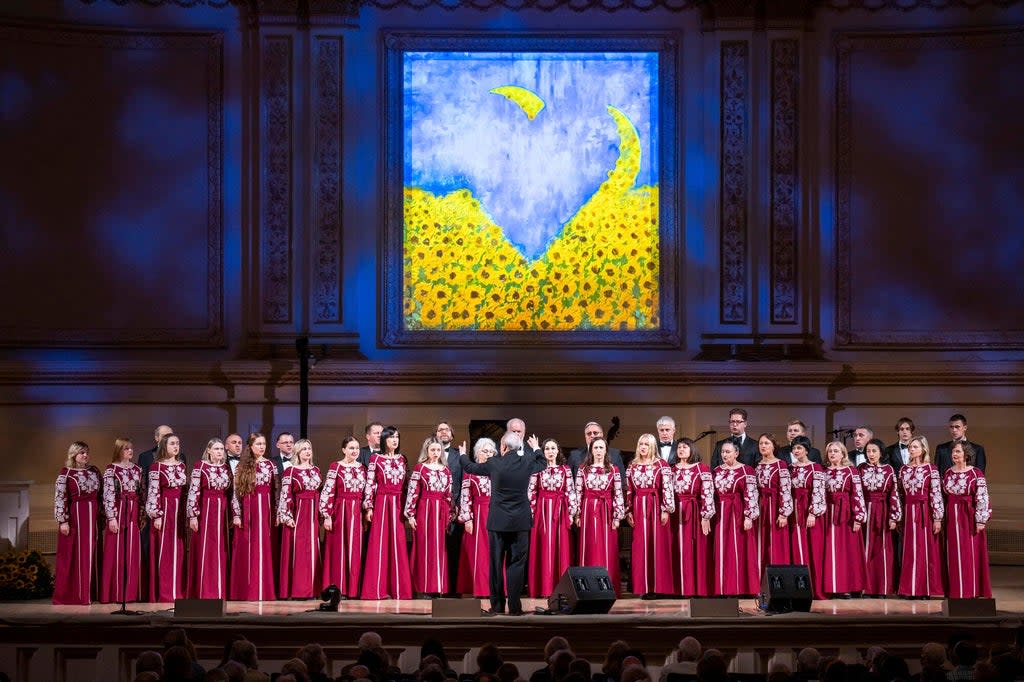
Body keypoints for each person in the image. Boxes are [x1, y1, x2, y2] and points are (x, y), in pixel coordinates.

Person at [459, 432, 546, 615]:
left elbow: (469, 467)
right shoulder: (527, 461)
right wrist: (537, 447)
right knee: (517, 564)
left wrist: (462, 454)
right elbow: (543, 463)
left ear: (504, 447)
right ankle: (514, 607)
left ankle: (497, 606)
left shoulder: (494, 463)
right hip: (520, 522)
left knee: (496, 564)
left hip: (498, 522)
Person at [360, 425, 412, 600]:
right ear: (384, 440)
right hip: (382, 502)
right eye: (391, 437)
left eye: (397, 437)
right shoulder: (376, 459)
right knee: (379, 543)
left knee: (398, 543)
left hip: (397, 503)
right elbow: (370, 483)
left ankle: (399, 589)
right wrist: (368, 507)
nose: (395, 440)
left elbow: (407, 486)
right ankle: (376, 589)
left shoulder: (403, 459)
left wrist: (408, 509)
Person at [229, 432, 279, 600]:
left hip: (266, 508)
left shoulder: (271, 465)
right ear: (250, 447)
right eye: (258, 444)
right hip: (248, 509)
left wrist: (277, 512)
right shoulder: (241, 466)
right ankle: (245, 590)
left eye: (263, 444)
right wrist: (237, 514)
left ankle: (264, 590)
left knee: (264, 548)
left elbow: (276, 491)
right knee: (247, 549)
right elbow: (235, 493)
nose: (262, 447)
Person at [624, 433, 675, 597]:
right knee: (640, 547)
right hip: (639, 507)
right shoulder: (632, 465)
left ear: (652, 446)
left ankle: (659, 587)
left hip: (655, 506)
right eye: (641, 444)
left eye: (646, 444)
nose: (643, 447)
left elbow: (667, 489)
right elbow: (629, 490)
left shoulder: (662, 465)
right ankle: (643, 586)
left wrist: (665, 509)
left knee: (657, 546)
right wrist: (628, 510)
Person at [575, 436, 626, 596]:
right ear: (591, 450)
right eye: (595, 448)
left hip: (607, 510)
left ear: (606, 450)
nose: (598, 451)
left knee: (607, 547)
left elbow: (618, 493)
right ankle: (587, 588)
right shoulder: (583, 469)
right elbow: (578, 492)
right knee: (588, 546)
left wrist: (617, 516)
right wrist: (577, 513)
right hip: (588, 509)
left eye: (601, 448)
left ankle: (608, 586)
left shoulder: (613, 469)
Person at [527, 438, 578, 597]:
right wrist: (532, 512)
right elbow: (531, 491)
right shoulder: (537, 469)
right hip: (542, 513)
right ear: (543, 452)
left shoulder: (565, 470)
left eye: (553, 448)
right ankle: (543, 588)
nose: (550, 451)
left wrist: (571, 513)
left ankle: (561, 589)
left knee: (560, 547)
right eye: (547, 448)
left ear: (558, 451)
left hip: (560, 512)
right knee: (543, 547)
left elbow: (571, 491)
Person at [942, 442, 992, 598]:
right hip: (952, 515)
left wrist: (981, 520)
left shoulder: (976, 473)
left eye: (958, 451)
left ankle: (971, 590)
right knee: (954, 553)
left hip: (968, 516)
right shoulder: (948, 473)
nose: (954, 454)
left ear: (966, 454)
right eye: (953, 452)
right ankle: (956, 591)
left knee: (969, 552)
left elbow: (982, 497)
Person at [54, 441, 101, 605]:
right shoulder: (66, 473)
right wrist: (63, 521)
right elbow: (60, 498)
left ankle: (89, 593)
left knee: (91, 552)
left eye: (87, 452)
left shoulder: (94, 471)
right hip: (76, 517)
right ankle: (74, 595)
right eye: (82, 452)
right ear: (73, 454)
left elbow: (101, 496)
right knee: (75, 554)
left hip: (93, 517)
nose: (85, 455)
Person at [319, 436, 367, 598]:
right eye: (351, 448)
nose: (355, 451)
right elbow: (327, 491)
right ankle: (339, 588)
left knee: (355, 550)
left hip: (357, 513)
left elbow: (368, 492)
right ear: (343, 450)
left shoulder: (363, 468)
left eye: (357, 448)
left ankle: (353, 589)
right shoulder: (335, 467)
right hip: (340, 511)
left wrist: (367, 510)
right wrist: (327, 515)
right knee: (339, 550)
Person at [405, 436, 453, 597]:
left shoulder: (446, 470)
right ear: (426, 450)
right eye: (432, 449)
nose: (435, 453)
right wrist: (410, 514)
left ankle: (438, 586)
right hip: (424, 510)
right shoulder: (420, 468)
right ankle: (425, 587)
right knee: (425, 547)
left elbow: (448, 494)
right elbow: (413, 492)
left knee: (439, 549)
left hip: (440, 512)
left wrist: (449, 513)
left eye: (438, 450)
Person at [711, 438, 760, 595]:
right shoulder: (717, 470)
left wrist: (748, 516)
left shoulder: (747, 470)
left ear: (737, 453)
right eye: (723, 452)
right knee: (722, 548)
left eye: (728, 451)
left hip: (738, 512)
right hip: (720, 513)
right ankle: (722, 588)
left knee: (739, 548)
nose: (725, 454)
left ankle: (742, 588)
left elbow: (751, 494)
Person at [897, 435, 944, 598]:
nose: (912, 449)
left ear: (924, 449)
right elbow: (900, 495)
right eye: (910, 447)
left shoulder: (931, 469)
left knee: (925, 549)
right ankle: (909, 588)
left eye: (915, 447)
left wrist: (937, 518)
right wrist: (899, 516)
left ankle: (925, 589)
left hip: (925, 512)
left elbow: (936, 493)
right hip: (909, 511)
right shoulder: (903, 469)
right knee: (909, 550)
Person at [186, 437, 232, 599]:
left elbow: (230, 492)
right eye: (217, 449)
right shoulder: (200, 466)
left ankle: (220, 590)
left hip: (222, 512)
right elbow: (193, 491)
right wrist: (193, 515)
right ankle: (205, 590)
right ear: (209, 451)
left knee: (220, 549)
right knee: (207, 548)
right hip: (207, 510)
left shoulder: (226, 468)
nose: (220, 451)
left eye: (221, 449)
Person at [99, 438, 144, 604]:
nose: (130, 451)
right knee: (116, 550)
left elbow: (141, 494)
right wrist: (111, 517)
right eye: (126, 449)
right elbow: (108, 494)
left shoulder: (138, 469)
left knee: (132, 550)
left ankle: (130, 593)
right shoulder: (111, 470)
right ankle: (115, 593)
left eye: (131, 448)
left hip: (133, 510)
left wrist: (141, 515)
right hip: (119, 510)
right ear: (119, 450)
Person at [278, 438, 323, 599]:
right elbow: (285, 495)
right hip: (299, 514)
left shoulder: (316, 470)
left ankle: (313, 589)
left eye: (309, 448)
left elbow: (320, 494)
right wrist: (286, 515)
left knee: (313, 550)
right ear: (297, 452)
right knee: (299, 551)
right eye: (303, 449)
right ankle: (299, 590)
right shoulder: (291, 471)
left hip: (313, 516)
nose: (307, 451)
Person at [821, 441, 867, 597]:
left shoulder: (851, 471)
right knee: (829, 550)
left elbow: (857, 494)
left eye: (835, 451)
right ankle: (833, 586)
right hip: (828, 514)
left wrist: (858, 517)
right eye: (830, 451)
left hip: (846, 515)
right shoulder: (823, 471)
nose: (832, 454)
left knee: (847, 551)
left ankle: (849, 586)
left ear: (843, 453)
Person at [146, 433, 188, 602]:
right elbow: (153, 491)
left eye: (177, 443)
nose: (176, 446)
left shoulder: (182, 466)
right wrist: (156, 515)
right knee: (166, 551)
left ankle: (178, 591)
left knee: (178, 550)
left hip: (179, 511)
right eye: (172, 443)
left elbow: (185, 491)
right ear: (164, 446)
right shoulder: (156, 467)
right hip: (165, 509)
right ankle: (165, 593)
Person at [670, 438, 714, 596]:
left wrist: (706, 516)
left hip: (694, 512)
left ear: (692, 450)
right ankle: (676, 589)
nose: (681, 449)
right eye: (679, 447)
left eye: (685, 447)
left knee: (693, 549)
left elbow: (707, 493)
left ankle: (695, 588)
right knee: (675, 548)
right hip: (674, 513)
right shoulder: (671, 469)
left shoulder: (702, 468)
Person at [859, 438, 901, 597]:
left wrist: (893, 517)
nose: (871, 454)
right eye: (868, 451)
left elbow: (894, 494)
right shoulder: (861, 468)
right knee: (865, 548)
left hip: (882, 511)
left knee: (882, 549)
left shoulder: (889, 469)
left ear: (881, 452)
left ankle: (882, 588)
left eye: (874, 451)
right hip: (865, 512)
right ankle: (865, 587)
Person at [458, 438, 497, 597]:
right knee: (480, 553)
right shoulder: (471, 472)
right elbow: (465, 496)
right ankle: (481, 589)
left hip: (495, 514)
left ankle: (495, 588)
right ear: (477, 454)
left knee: (495, 552)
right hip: (478, 515)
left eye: (490, 452)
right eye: (484, 451)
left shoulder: (497, 471)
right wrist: (468, 519)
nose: (488, 454)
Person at [788, 435, 826, 599]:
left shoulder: (815, 468)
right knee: (796, 547)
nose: (796, 451)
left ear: (806, 450)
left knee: (813, 549)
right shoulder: (790, 468)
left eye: (799, 448)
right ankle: (798, 588)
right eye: (794, 448)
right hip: (794, 510)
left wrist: (813, 513)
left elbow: (819, 492)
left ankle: (813, 588)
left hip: (809, 511)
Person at [755, 433, 793, 573]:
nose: (763, 446)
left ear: (773, 446)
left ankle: (778, 579)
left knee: (775, 541)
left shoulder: (781, 464)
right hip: (761, 504)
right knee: (761, 541)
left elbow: (786, 489)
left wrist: (784, 513)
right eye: (761, 443)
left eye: (766, 443)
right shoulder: (758, 464)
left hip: (775, 505)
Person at [437, 421, 464, 596]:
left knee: (453, 550)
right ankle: (434, 588)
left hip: (454, 509)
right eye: (440, 429)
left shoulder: (459, 455)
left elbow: (464, 482)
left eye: (447, 429)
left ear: (452, 435)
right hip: (434, 509)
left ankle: (453, 588)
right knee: (435, 549)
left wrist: (459, 508)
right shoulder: (429, 453)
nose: (443, 432)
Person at [568, 422, 626, 488]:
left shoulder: (615, 454)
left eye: (595, 433)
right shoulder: (574, 455)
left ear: (602, 434)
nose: (592, 435)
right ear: (585, 436)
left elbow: (622, 480)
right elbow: (568, 482)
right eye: (589, 433)